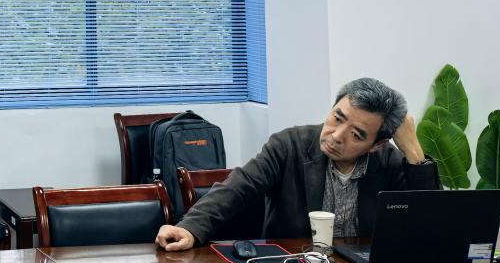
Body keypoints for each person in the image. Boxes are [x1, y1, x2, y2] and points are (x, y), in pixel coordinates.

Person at [155, 77, 439, 251]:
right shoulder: (289, 146)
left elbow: (430, 227)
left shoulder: (387, 161)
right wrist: (190, 228)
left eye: (356, 135)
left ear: (376, 144)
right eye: (337, 118)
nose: (336, 136)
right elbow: (238, 187)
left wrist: (414, 152)